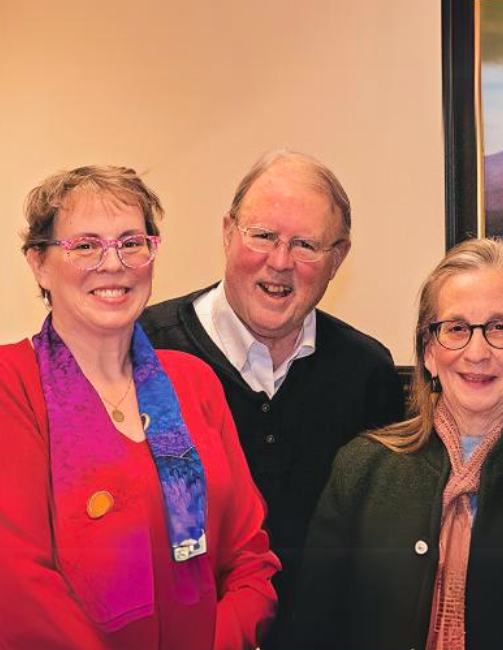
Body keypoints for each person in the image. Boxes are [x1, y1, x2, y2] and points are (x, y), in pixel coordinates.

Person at [0, 166, 279, 650]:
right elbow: (16, 588)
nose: (114, 263)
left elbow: (250, 560)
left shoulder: (194, 383)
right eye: (85, 245)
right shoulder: (2, 383)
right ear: (39, 264)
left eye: (131, 242)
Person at [292, 239, 503, 650]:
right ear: (429, 353)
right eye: (455, 329)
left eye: (500, 328)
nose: (476, 351)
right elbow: (312, 630)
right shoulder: (361, 470)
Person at [139, 149, 405, 645]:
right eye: (262, 236)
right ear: (227, 232)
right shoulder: (143, 353)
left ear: (338, 257)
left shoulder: (367, 374)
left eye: (305, 244)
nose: (279, 262)